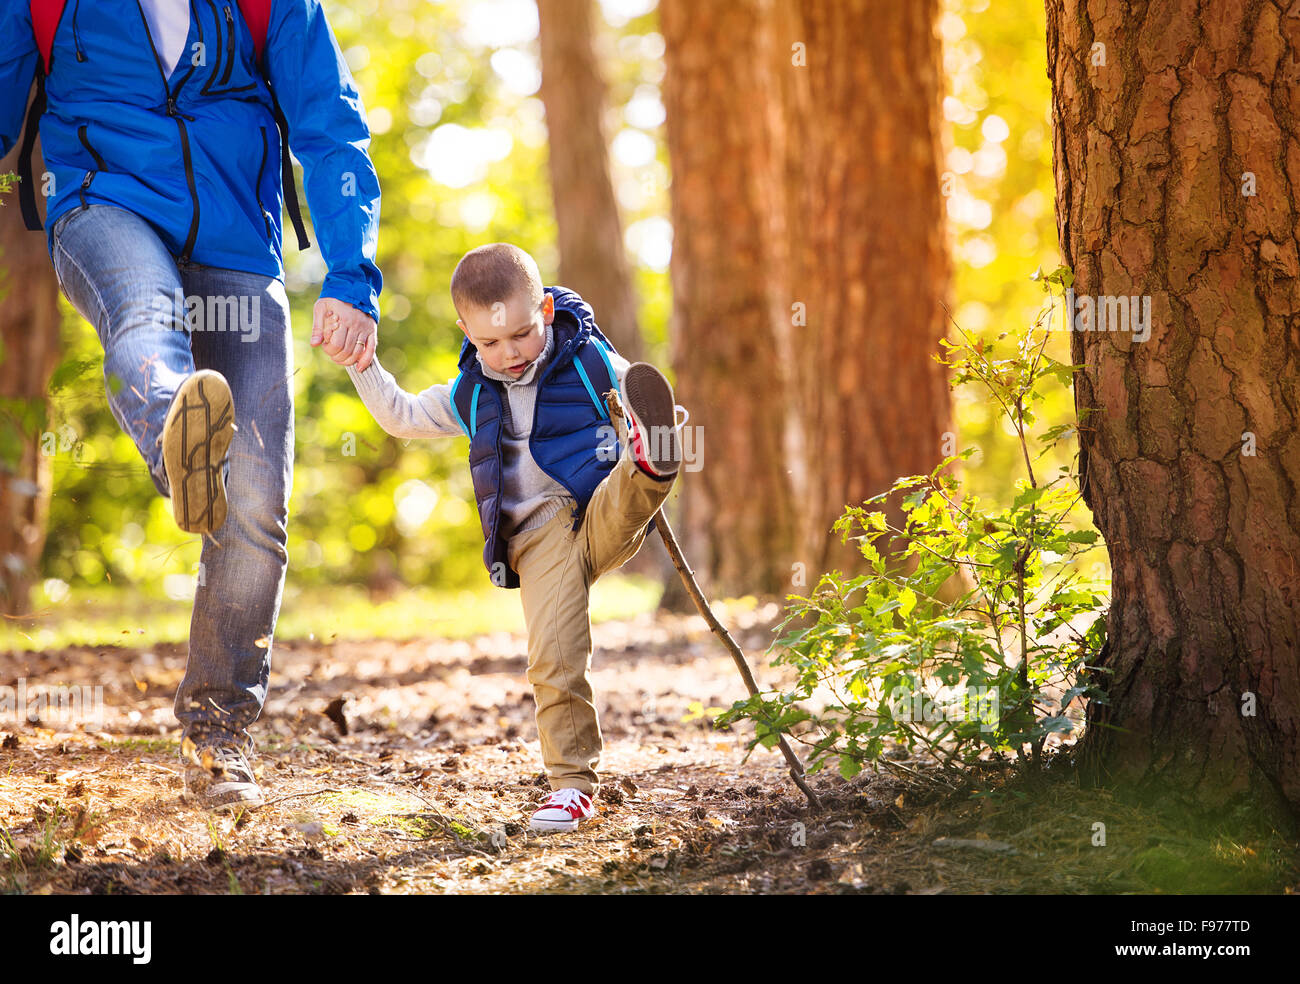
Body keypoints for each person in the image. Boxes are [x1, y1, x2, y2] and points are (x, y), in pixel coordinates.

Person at [0, 1, 383, 811]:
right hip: (104, 208)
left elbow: (331, 126)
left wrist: (352, 275)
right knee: (145, 318)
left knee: (253, 506)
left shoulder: (274, 5)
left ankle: (217, 740)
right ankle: (178, 425)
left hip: (239, 244)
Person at [345, 243, 684, 832]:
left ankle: (651, 462)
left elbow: (636, 390)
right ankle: (573, 786)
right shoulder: (470, 393)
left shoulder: (590, 361)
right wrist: (360, 362)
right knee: (553, 655)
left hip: (597, 501)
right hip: (536, 534)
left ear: (546, 310)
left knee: (630, 491)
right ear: (467, 332)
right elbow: (399, 415)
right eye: (490, 343)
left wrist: (642, 418)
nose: (508, 355)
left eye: (522, 335)